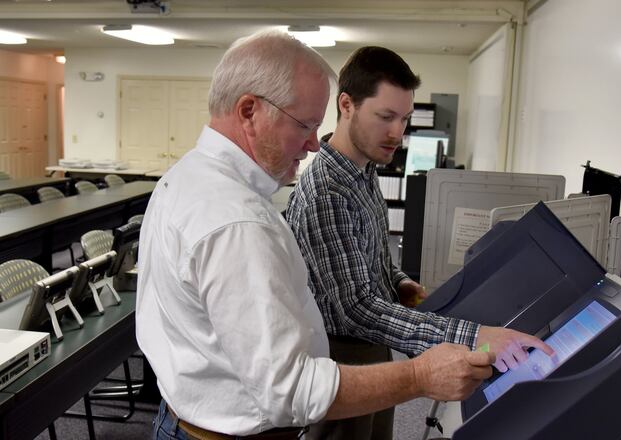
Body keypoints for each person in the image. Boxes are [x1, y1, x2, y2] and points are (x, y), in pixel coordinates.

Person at [136, 32, 496, 440]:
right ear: (249, 111)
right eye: (304, 125)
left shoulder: (190, 177)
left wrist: (396, 282)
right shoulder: (239, 223)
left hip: (194, 413)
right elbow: (292, 390)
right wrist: (422, 373)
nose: (312, 144)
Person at [286, 46, 554, 440]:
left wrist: (397, 281)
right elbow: (355, 311)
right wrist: (471, 336)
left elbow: (375, 251)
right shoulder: (327, 190)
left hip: (374, 346)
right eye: (386, 117)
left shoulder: (363, 170)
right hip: (343, 355)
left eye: (405, 118)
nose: (399, 133)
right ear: (346, 105)